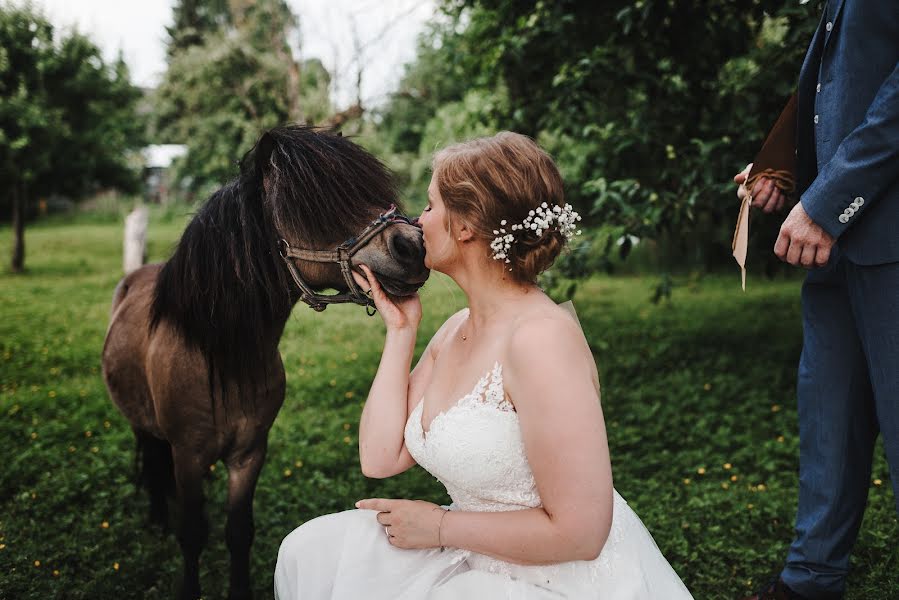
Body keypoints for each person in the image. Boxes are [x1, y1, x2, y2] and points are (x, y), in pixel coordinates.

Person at [274, 132, 692, 599]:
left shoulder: (541, 341)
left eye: (430, 206)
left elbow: (582, 533)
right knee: (306, 550)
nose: (417, 221)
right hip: (470, 549)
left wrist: (440, 527)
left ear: (467, 224)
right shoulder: (455, 329)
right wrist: (401, 333)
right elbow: (379, 457)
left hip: (556, 576)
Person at [733, 2, 899, 599]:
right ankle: (811, 580)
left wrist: (829, 203)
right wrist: (784, 168)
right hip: (833, 245)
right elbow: (842, 84)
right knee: (828, 418)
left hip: (882, 233)